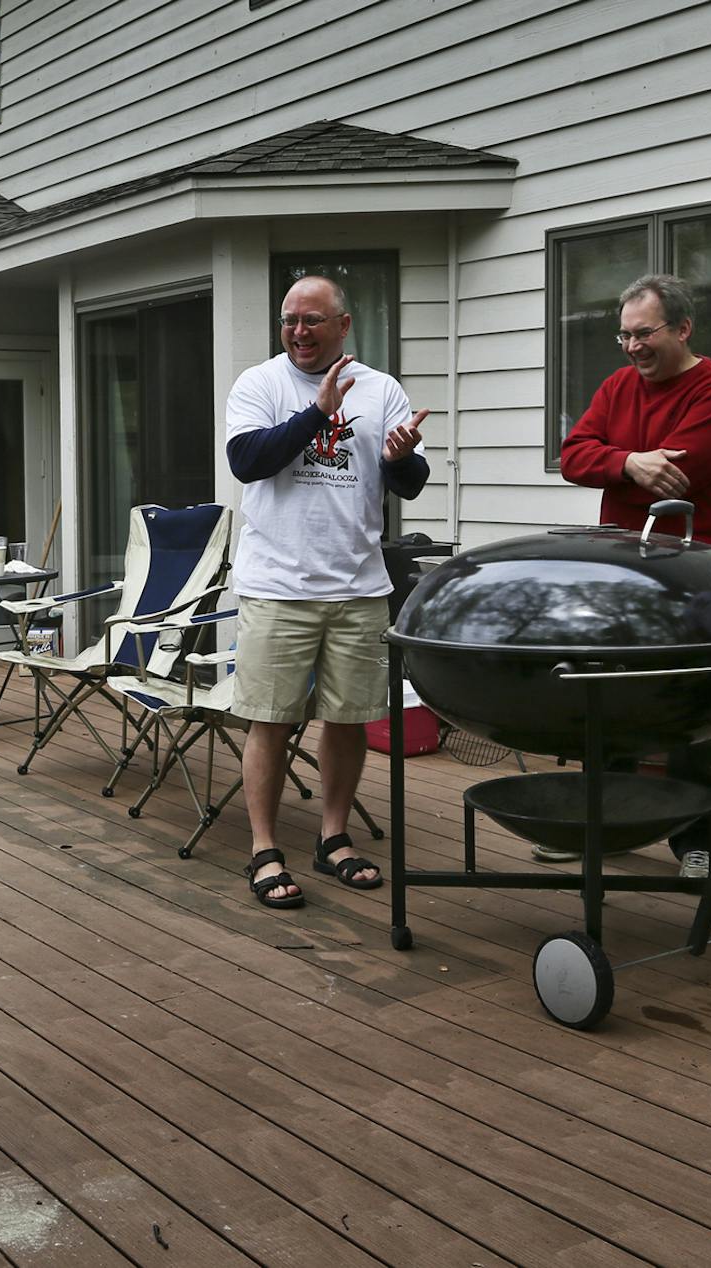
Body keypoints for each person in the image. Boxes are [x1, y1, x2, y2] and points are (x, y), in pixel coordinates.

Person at [224, 276, 429, 909]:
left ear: (343, 325)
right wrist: (317, 410)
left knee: (347, 720)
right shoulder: (259, 384)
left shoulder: (381, 389)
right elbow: (248, 461)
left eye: (313, 321)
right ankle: (263, 847)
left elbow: (411, 485)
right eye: (289, 321)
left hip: (358, 583)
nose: (299, 332)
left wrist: (400, 457)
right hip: (278, 585)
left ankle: (333, 837)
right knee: (272, 719)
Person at [557, 274, 711, 881]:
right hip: (621, 571)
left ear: (683, 328)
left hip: (694, 571)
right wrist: (628, 463)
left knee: (689, 710)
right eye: (625, 335)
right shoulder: (618, 386)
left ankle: (698, 841)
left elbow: (678, 473)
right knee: (609, 703)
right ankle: (605, 825)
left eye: (644, 334)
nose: (632, 347)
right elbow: (572, 457)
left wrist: (619, 464)